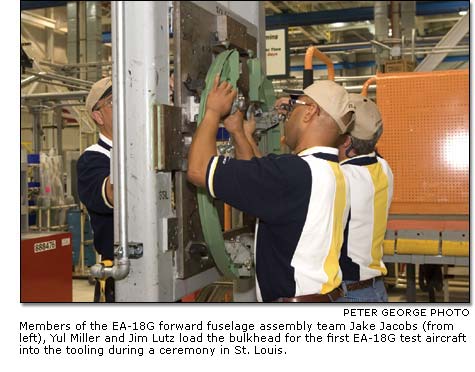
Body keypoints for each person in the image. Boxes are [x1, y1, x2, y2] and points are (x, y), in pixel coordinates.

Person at [187, 75, 355, 302]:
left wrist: (212, 112)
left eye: (295, 106)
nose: (288, 113)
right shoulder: (334, 173)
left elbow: (198, 170)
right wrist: (238, 132)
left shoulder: (295, 173)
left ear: (310, 112)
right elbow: (258, 185)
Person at [336, 93, 394, 302]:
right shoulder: (384, 168)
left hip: (349, 294)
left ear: (346, 141)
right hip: (374, 290)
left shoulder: (341, 178)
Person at [77, 77, 115, 302]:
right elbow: (109, 195)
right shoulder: (93, 158)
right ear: (98, 116)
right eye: (113, 101)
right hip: (119, 271)